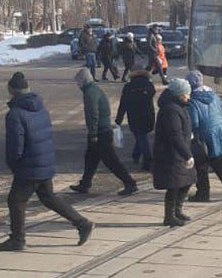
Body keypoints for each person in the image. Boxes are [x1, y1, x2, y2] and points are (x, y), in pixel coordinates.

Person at [1, 72, 94, 251]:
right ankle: (82, 223)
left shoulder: (15, 114)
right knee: (48, 197)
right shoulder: (40, 108)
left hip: (29, 166)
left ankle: (17, 240)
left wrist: (13, 164)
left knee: (16, 200)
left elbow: (15, 146)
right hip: (43, 162)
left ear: (12, 92)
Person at [70, 68, 138, 196]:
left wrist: (93, 133)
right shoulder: (94, 89)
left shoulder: (90, 93)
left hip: (101, 132)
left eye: (78, 82)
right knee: (90, 158)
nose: (78, 85)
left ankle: (130, 183)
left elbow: (93, 114)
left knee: (111, 161)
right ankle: (85, 184)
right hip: (102, 130)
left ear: (83, 81)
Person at [185, 70, 222, 202]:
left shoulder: (193, 101)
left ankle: (203, 193)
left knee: (201, 165)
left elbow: (195, 122)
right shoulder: (214, 95)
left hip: (205, 135)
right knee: (217, 160)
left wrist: (191, 137)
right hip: (221, 131)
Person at [153, 78, 196, 227]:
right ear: (179, 94)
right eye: (186, 94)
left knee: (186, 182)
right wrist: (187, 155)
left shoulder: (179, 106)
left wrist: (189, 134)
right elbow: (174, 134)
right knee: (174, 185)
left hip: (179, 151)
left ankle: (178, 210)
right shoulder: (171, 109)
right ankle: (169, 216)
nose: (188, 97)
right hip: (171, 154)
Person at [116, 64, 155, 171]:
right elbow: (152, 94)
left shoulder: (128, 87)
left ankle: (148, 160)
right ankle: (136, 154)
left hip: (134, 115)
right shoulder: (149, 84)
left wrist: (118, 120)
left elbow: (123, 104)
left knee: (141, 136)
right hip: (148, 114)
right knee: (142, 135)